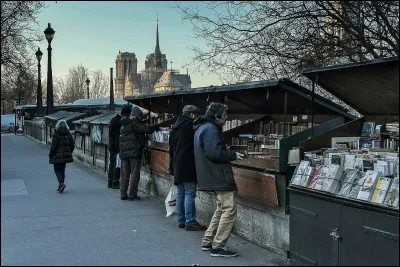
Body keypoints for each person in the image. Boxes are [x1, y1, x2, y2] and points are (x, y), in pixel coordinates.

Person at [193, 102, 244, 257]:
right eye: (224, 115)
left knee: (221, 208)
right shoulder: (210, 129)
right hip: (218, 175)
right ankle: (218, 246)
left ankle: (208, 241)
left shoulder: (202, 128)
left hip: (210, 174)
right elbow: (215, 153)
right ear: (216, 116)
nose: (226, 118)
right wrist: (233, 155)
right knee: (229, 209)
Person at [169, 105, 207, 231]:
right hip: (188, 164)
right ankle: (190, 221)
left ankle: (181, 220)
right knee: (190, 193)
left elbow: (171, 149)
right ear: (191, 114)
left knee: (180, 193)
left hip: (177, 164)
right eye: (196, 115)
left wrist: (171, 167)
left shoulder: (174, 128)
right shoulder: (190, 126)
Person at [119, 106, 159, 200]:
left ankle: (123, 194)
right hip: (134, 153)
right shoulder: (134, 124)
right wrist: (155, 127)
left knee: (124, 175)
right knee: (134, 175)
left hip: (124, 153)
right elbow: (147, 129)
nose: (142, 119)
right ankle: (132, 194)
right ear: (137, 116)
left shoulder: (123, 125)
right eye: (141, 117)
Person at [108, 104, 132, 189]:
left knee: (112, 164)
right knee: (116, 165)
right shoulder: (120, 122)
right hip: (116, 146)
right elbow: (118, 136)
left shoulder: (113, 120)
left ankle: (110, 182)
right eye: (129, 115)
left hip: (111, 145)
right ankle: (115, 183)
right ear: (126, 114)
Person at [49, 120, 75, 193]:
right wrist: (68, 152)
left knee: (56, 170)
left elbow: (53, 147)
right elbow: (72, 145)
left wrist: (51, 155)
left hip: (56, 156)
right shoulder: (68, 134)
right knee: (62, 170)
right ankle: (61, 185)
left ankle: (61, 183)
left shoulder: (56, 134)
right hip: (65, 156)